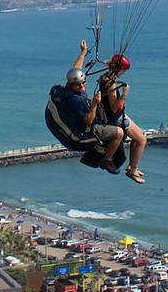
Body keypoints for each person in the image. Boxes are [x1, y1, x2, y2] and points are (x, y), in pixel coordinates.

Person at [44, 39, 125, 171]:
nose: (82, 86)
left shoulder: (68, 88)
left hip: (63, 128)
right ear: (72, 85)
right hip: (76, 140)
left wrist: (83, 52)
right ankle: (107, 160)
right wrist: (94, 103)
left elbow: (76, 69)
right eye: (78, 85)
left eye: (83, 83)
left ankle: (101, 148)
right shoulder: (76, 100)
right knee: (119, 133)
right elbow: (88, 120)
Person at [96, 52, 147, 184]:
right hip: (115, 117)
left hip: (117, 115)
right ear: (119, 69)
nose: (123, 73)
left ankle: (132, 166)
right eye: (123, 71)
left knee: (138, 136)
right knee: (142, 140)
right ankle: (133, 171)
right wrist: (124, 94)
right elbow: (114, 107)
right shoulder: (111, 84)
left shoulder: (105, 77)